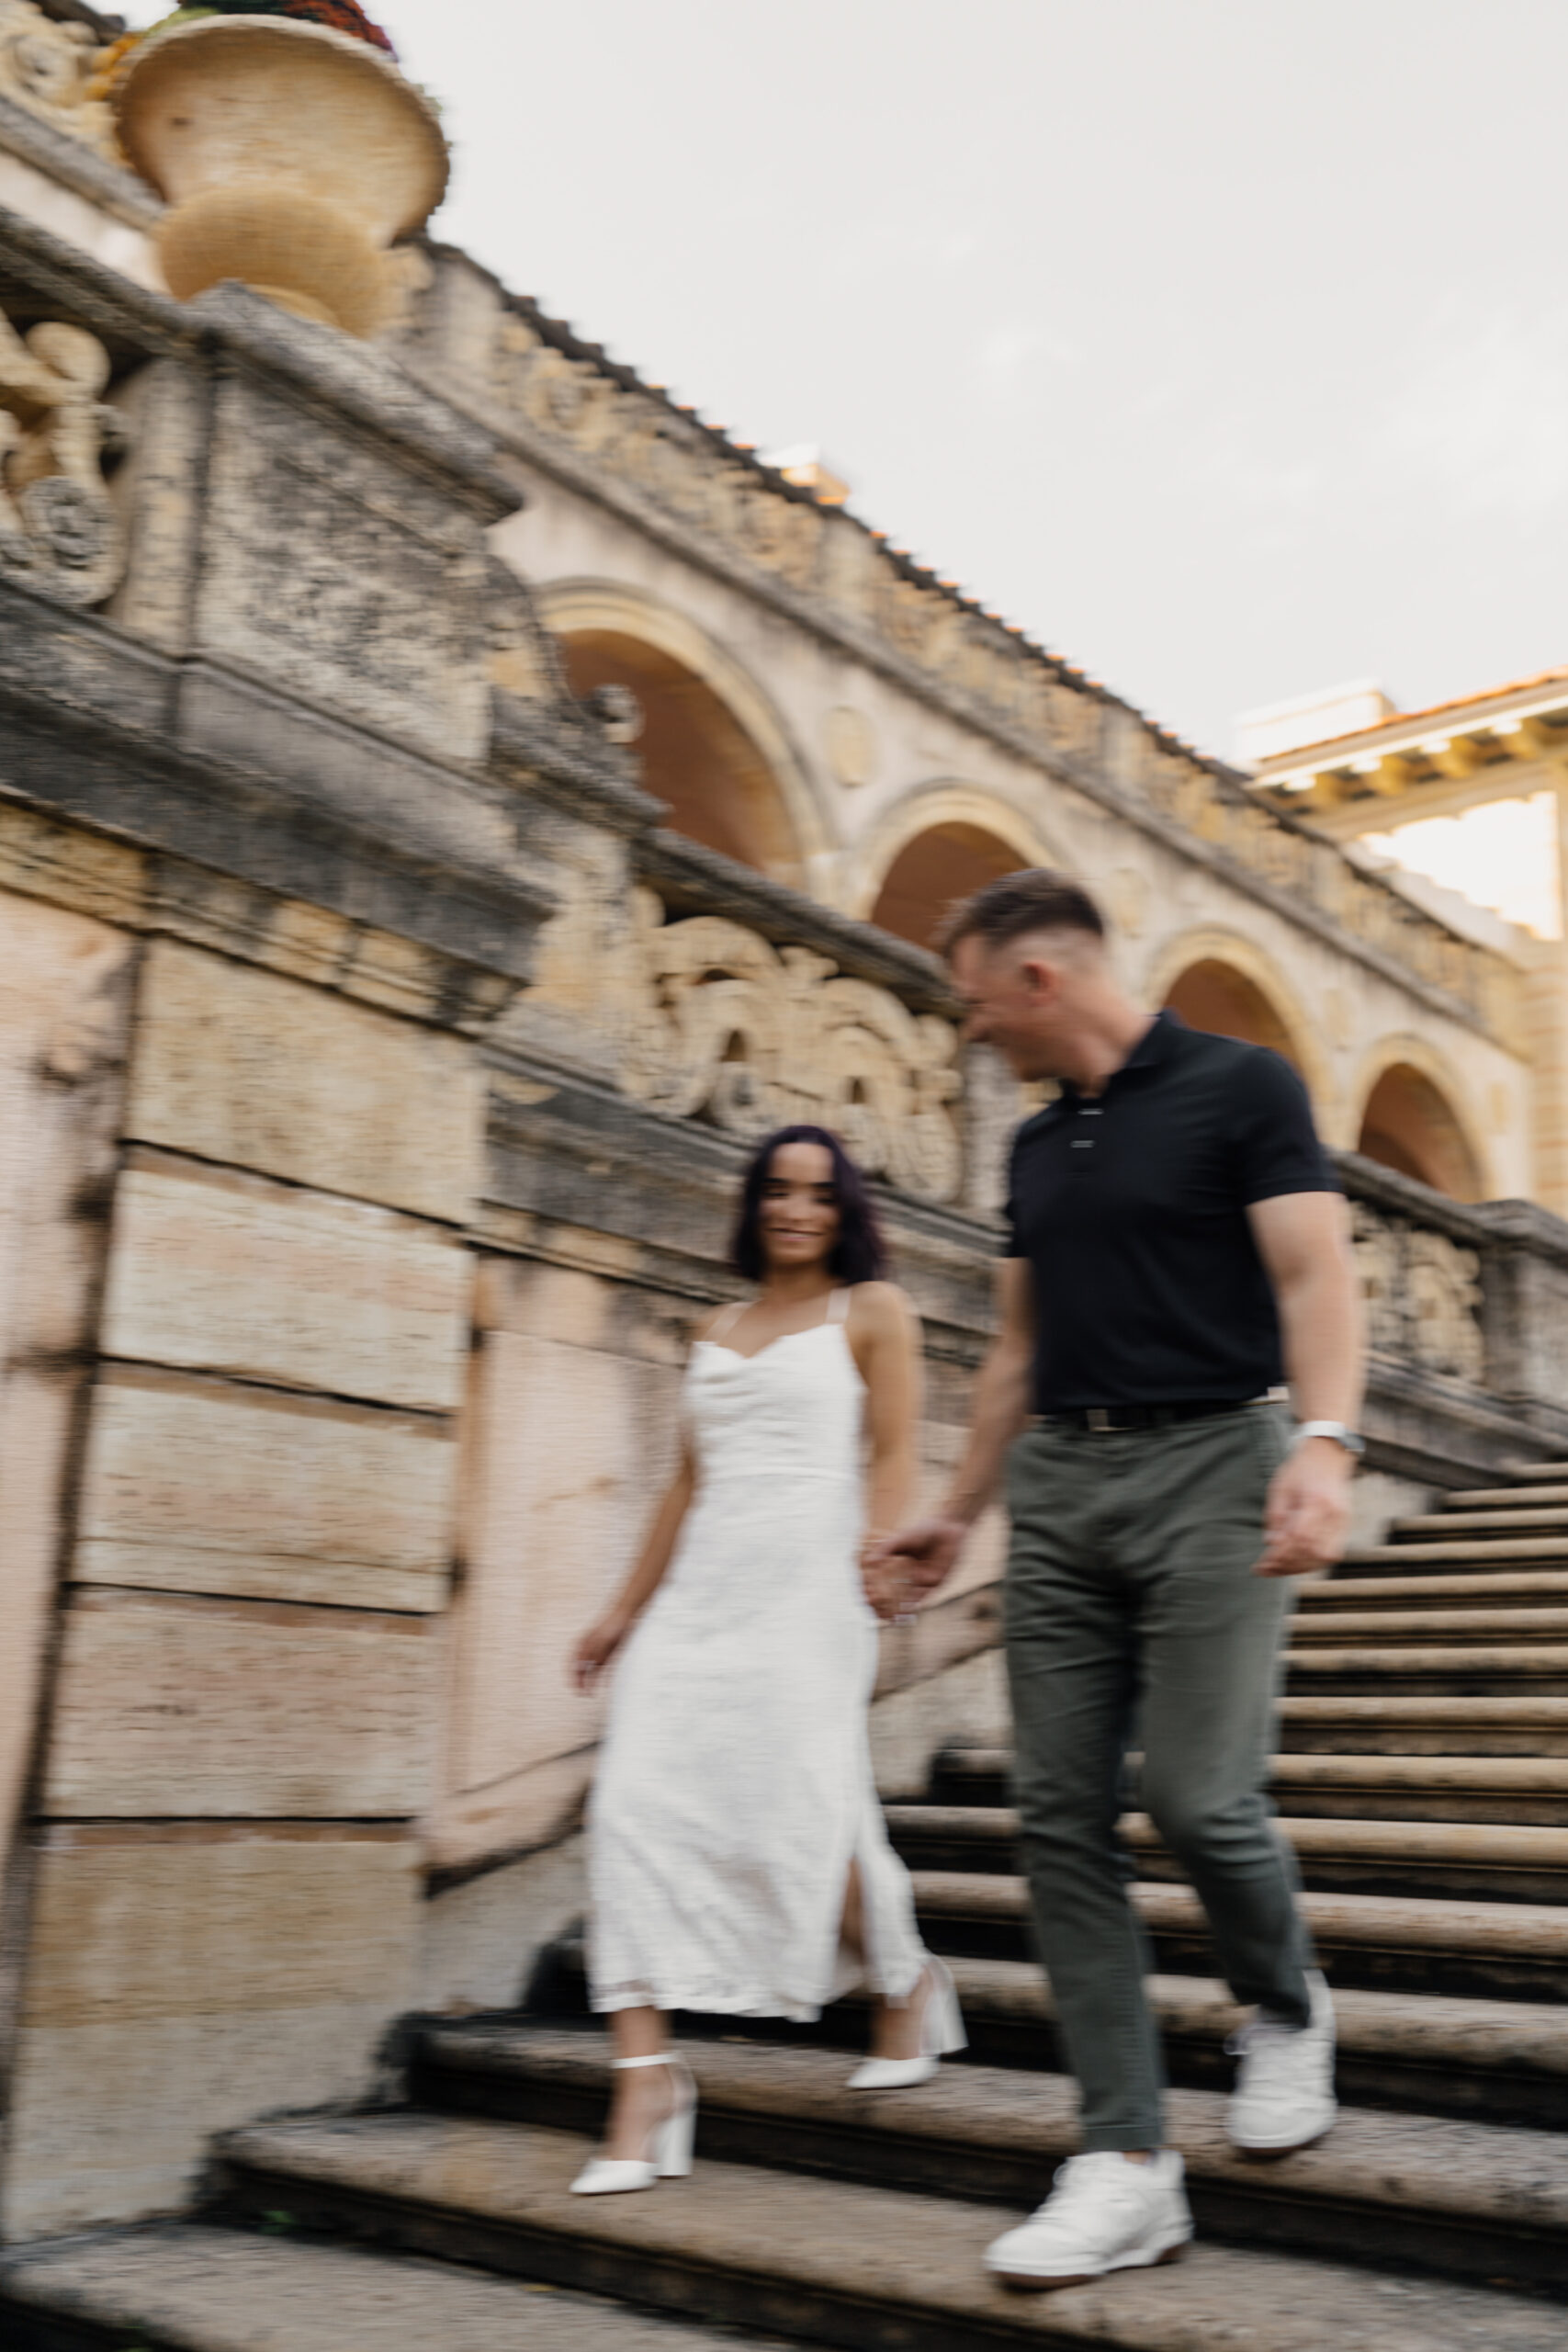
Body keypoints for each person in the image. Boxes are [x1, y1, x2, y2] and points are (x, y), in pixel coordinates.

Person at [870, 869, 1364, 2292]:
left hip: (1217, 1463)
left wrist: (1321, 1448)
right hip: (1062, 1493)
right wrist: (954, 1515)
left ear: (1036, 981)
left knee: (1200, 1797)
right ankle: (1123, 2159)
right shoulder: (1032, 1151)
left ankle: (1281, 2007)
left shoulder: (1237, 1085)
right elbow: (1017, 1352)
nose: (965, 1031)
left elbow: (1314, 1278)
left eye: (971, 1001)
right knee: (1054, 1816)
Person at [569, 1123, 965, 2196]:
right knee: (630, 1812)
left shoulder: (872, 1310)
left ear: (847, 1211)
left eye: (819, 1193)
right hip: (697, 1599)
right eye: (779, 1191)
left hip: (809, 1588)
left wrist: (881, 1571)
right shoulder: (717, 1321)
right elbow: (684, 1485)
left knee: (801, 1809)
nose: (797, 1209)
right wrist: (619, 1612)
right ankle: (645, 2079)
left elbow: (893, 1450)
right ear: (754, 1205)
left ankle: (903, 1983)